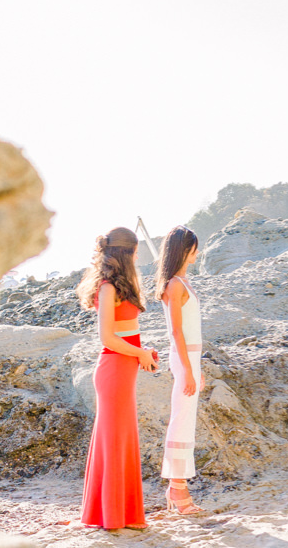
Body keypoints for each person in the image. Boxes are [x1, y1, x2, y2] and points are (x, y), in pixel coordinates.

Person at [77, 227, 158, 531]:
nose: (139, 257)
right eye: (136, 252)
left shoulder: (120, 286)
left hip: (124, 369)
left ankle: (123, 514)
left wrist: (143, 351)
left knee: (122, 441)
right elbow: (107, 338)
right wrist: (140, 355)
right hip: (113, 370)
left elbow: (128, 334)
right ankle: (113, 517)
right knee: (114, 443)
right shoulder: (107, 287)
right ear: (126, 253)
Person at [157, 226, 206, 515]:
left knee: (186, 421)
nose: (197, 253)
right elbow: (175, 331)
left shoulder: (183, 282)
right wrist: (187, 370)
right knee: (181, 421)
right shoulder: (175, 284)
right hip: (184, 356)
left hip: (191, 357)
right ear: (184, 251)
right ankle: (177, 487)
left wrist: (196, 369)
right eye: (194, 248)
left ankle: (178, 486)